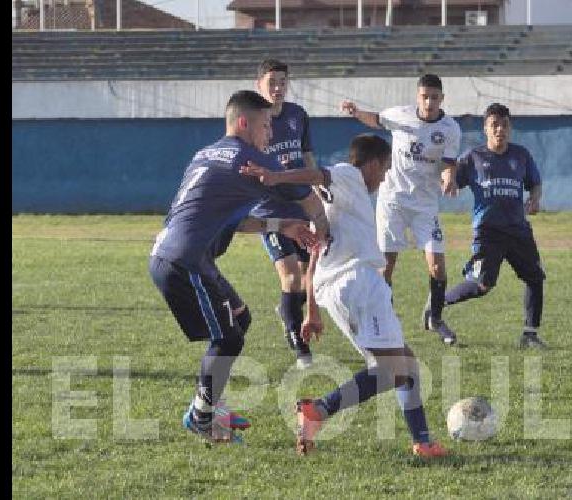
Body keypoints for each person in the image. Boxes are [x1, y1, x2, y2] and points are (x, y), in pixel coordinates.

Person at [240, 134, 450, 458]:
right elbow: (316, 174)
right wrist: (277, 177)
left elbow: (316, 252)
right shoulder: (348, 175)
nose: (382, 179)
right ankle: (319, 410)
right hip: (357, 282)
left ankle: (422, 442)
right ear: (374, 162)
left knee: (403, 365)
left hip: (339, 286)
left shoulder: (333, 202)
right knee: (398, 369)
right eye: (384, 171)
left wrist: (311, 309)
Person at [148, 90, 330, 443]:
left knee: (240, 318)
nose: (270, 135)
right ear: (244, 123)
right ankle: (202, 416)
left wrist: (282, 226)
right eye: (265, 126)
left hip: (184, 256)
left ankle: (209, 405)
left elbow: (234, 221)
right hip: (185, 261)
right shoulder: (247, 157)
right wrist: (322, 223)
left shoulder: (206, 154)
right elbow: (304, 191)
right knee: (228, 337)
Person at [340, 74, 462, 346]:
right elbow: (377, 120)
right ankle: (385, 320)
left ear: (442, 99)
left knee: (437, 266)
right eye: (424, 96)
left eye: (434, 97)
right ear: (417, 96)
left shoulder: (451, 129)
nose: (429, 102)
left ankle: (436, 318)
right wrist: (357, 112)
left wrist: (448, 177)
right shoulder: (401, 115)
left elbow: (449, 163)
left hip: (424, 205)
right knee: (386, 265)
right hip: (392, 200)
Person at [443, 103, 548, 349]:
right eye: (494, 125)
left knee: (535, 277)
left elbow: (535, 183)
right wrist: (447, 179)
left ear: (510, 128)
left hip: (518, 229)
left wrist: (535, 197)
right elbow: (451, 177)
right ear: (486, 129)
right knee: (483, 284)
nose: (500, 130)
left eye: (505, 125)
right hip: (488, 231)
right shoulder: (473, 157)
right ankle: (438, 303)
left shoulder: (521, 155)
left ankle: (529, 335)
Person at [249, 59, 319, 369]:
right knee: (291, 277)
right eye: (271, 82)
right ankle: (296, 338)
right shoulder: (253, 120)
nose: (278, 88)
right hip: (270, 210)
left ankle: (286, 310)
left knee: (308, 278)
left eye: (282, 81)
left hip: (300, 205)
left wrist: (316, 186)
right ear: (259, 85)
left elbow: (307, 157)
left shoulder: (297, 115)